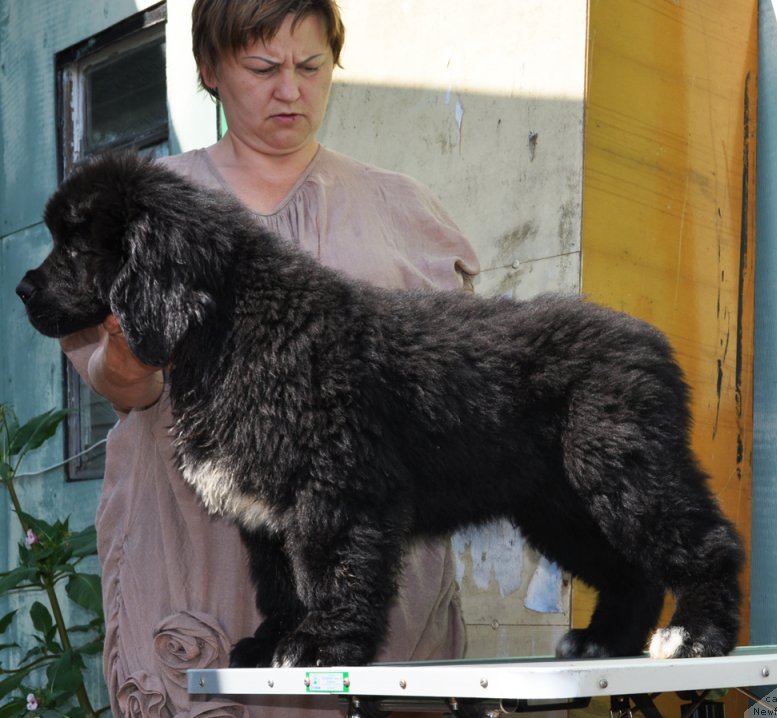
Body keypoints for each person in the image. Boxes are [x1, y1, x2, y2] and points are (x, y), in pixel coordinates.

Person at [60, 0, 480, 715]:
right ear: (209, 69)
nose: (291, 90)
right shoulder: (137, 212)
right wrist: (132, 352)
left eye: (311, 66)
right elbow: (117, 385)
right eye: (263, 68)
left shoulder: (406, 212)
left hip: (371, 575)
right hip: (197, 561)